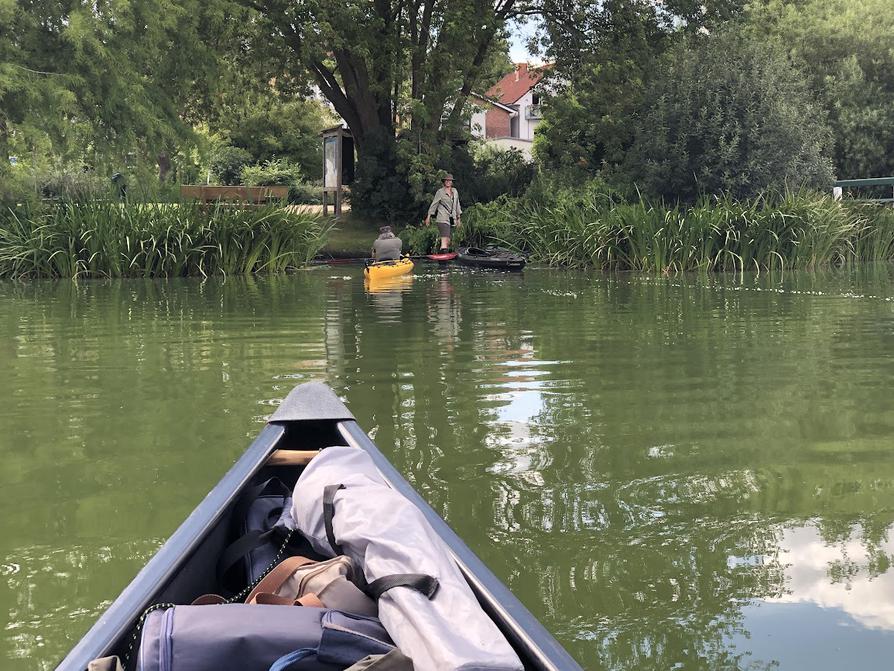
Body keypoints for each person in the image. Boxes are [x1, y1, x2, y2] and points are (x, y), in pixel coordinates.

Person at [424, 173, 461, 253]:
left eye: (449, 180)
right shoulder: (440, 192)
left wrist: (458, 218)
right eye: (446, 180)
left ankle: (442, 257)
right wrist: (428, 217)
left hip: (452, 219)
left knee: (448, 241)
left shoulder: (455, 191)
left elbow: (457, 204)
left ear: (452, 182)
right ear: (444, 182)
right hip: (442, 218)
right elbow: (434, 204)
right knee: (444, 240)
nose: (448, 182)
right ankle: (443, 263)